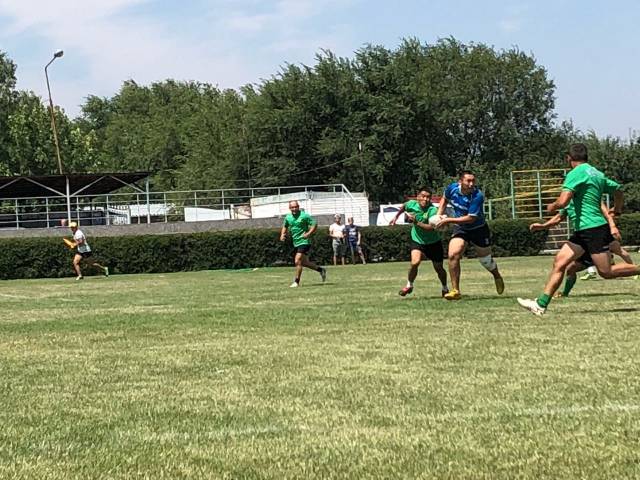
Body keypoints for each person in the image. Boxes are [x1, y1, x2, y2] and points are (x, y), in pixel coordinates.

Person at [517, 143, 640, 316]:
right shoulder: (596, 173)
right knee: (560, 262)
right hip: (583, 231)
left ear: (569, 158)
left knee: (606, 272)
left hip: (594, 229)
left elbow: (563, 201)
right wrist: (617, 209)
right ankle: (540, 304)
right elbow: (618, 190)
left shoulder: (575, 173)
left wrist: (552, 206)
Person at [528, 200, 635, 298]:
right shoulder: (569, 202)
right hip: (582, 239)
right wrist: (542, 226)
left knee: (607, 269)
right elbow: (558, 218)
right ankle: (558, 296)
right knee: (568, 267)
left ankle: (634, 269)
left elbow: (606, 211)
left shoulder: (590, 197)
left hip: (597, 236)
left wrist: (612, 226)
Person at [434, 171, 504, 300]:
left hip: (478, 229)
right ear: (460, 181)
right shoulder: (452, 189)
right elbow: (444, 199)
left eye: (473, 181)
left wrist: (448, 220)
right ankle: (456, 291)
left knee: (486, 261)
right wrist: (438, 216)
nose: (471, 184)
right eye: (468, 181)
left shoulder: (477, 196)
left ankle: (496, 275)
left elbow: (471, 219)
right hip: (461, 228)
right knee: (453, 255)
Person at [390, 187, 449, 297]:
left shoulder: (432, 210)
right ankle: (409, 285)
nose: (425, 199)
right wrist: (396, 217)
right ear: (418, 197)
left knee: (439, 268)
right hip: (417, 240)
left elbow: (430, 228)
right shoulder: (411, 204)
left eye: (428, 197)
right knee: (415, 262)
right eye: (423, 196)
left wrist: (416, 222)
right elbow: (404, 206)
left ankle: (445, 288)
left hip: (433, 242)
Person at [280, 201, 327, 287]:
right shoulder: (288, 217)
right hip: (296, 242)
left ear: (298, 207)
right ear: (290, 208)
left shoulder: (304, 215)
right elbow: (285, 226)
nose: (294, 209)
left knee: (297, 260)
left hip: (304, 241)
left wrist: (308, 233)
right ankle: (321, 270)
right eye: (292, 207)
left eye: (296, 207)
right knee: (304, 263)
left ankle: (296, 282)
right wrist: (282, 234)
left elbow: (314, 224)